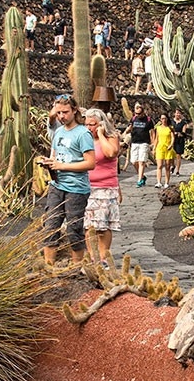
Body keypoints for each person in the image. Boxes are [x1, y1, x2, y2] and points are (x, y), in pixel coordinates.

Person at [38, 94, 96, 266]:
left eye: (65, 112)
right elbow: (55, 157)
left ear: (74, 110)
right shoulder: (58, 132)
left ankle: (77, 267)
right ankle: (49, 267)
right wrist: (49, 163)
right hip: (57, 185)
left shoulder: (83, 134)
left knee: (73, 229)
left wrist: (61, 166)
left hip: (76, 188)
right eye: (59, 113)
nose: (62, 116)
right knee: (51, 227)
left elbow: (90, 163)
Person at [83, 108, 121, 265]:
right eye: (86, 124)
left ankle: (103, 258)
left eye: (92, 124)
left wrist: (100, 134)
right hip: (86, 187)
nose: (89, 128)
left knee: (102, 226)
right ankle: (92, 257)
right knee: (89, 225)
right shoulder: (84, 139)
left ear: (101, 124)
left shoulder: (111, 138)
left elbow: (111, 152)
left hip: (105, 188)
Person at [124, 102, 155, 187]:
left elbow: (152, 132)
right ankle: (142, 176)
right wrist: (127, 130)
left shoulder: (148, 120)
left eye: (139, 113)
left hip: (144, 142)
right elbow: (129, 128)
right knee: (133, 161)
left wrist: (153, 143)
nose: (137, 115)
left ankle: (139, 180)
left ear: (143, 112)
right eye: (136, 113)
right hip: (134, 141)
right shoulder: (133, 119)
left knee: (142, 161)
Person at [152, 113, 175, 188]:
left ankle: (166, 182)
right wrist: (154, 148)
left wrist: (171, 145)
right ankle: (158, 182)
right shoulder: (158, 128)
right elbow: (156, 138)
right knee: (159, 165)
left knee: (167, 166)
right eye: (162, 119)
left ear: (167, 119)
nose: (163, 120)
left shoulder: (170, 128)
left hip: (168, 148)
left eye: (164, 118)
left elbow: (173, 138)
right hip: (160, 147)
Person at [170, 109, 192, 175]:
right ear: (174, 114)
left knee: (178, 155)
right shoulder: (171, 122)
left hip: (179, 140)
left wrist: (179, 133)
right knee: (171, 155)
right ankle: (173, 165)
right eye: (177, 113)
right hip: (171, 140)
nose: (178, 114)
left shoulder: (183, 123)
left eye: (179, 113)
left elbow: (183, 132)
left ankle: (177, 170)